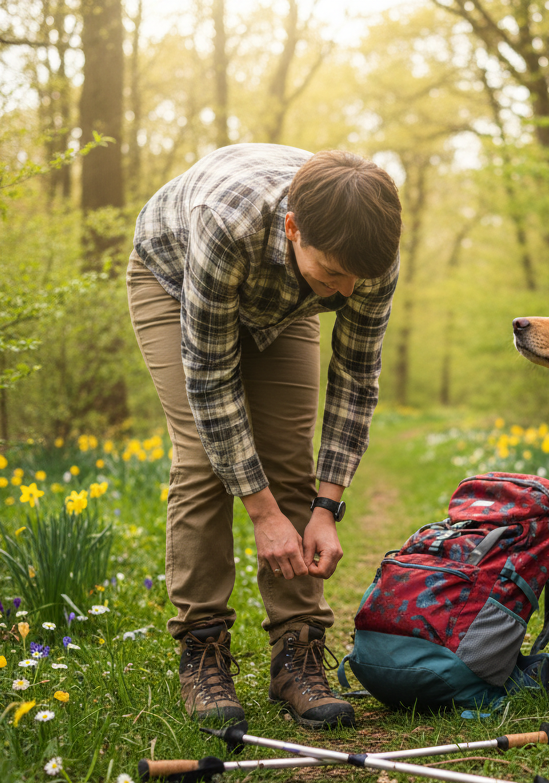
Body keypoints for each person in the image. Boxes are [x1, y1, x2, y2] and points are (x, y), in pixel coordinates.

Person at [127, 144, 401, 729]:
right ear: (294, 227)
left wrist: (326, 507)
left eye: (358, 278)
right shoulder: (225, 223)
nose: (347, 292)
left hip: (286, 300)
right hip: (174, 279)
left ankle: (296, 653)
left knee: (288, 458)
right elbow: (209, 378)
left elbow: (356, 380)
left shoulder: (367, 255)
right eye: (334, 273)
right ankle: (203, 646)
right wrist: (262, 513)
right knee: (205, 460)